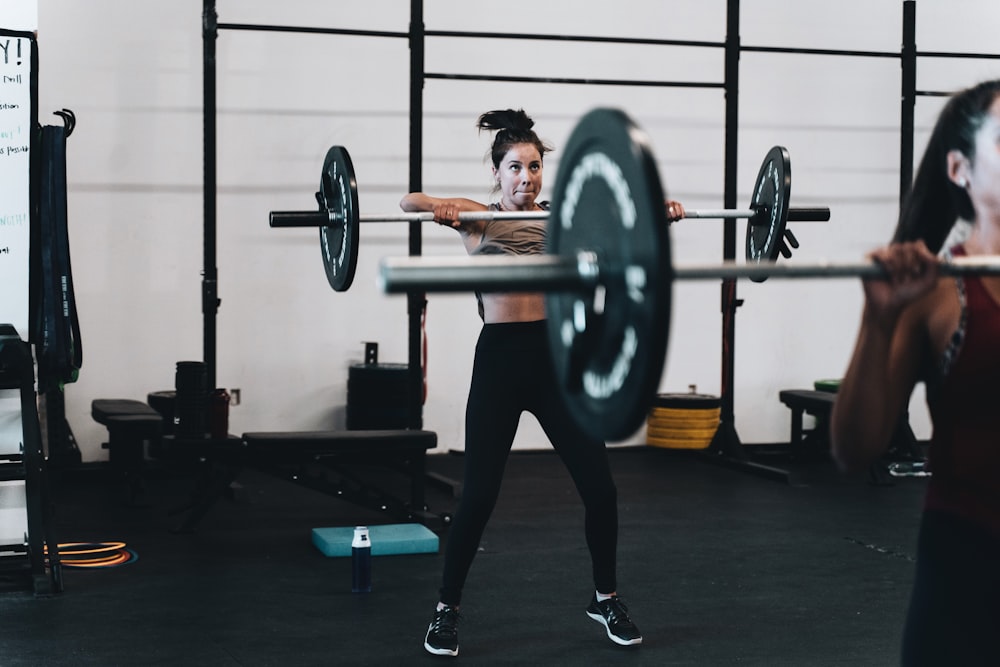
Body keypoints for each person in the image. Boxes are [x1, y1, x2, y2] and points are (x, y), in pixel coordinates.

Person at [401, 108, 687, 658]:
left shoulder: (569, 218)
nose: (525, 179)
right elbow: (407, 203)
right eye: (514, 168)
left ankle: (605, 597)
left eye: (533, 168)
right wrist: (437, 207)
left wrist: (664, 213)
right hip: (501, 366)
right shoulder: (477, 220)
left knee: (601, 490)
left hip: (558, 365)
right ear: (497, 172)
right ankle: (446, 609)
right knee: (479, 497)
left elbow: (631, 217)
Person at [830, 79, 1000, 665]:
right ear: (961, 169)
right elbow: (854, 451)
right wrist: (877, 324)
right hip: (969, 570)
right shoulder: (937, 294)